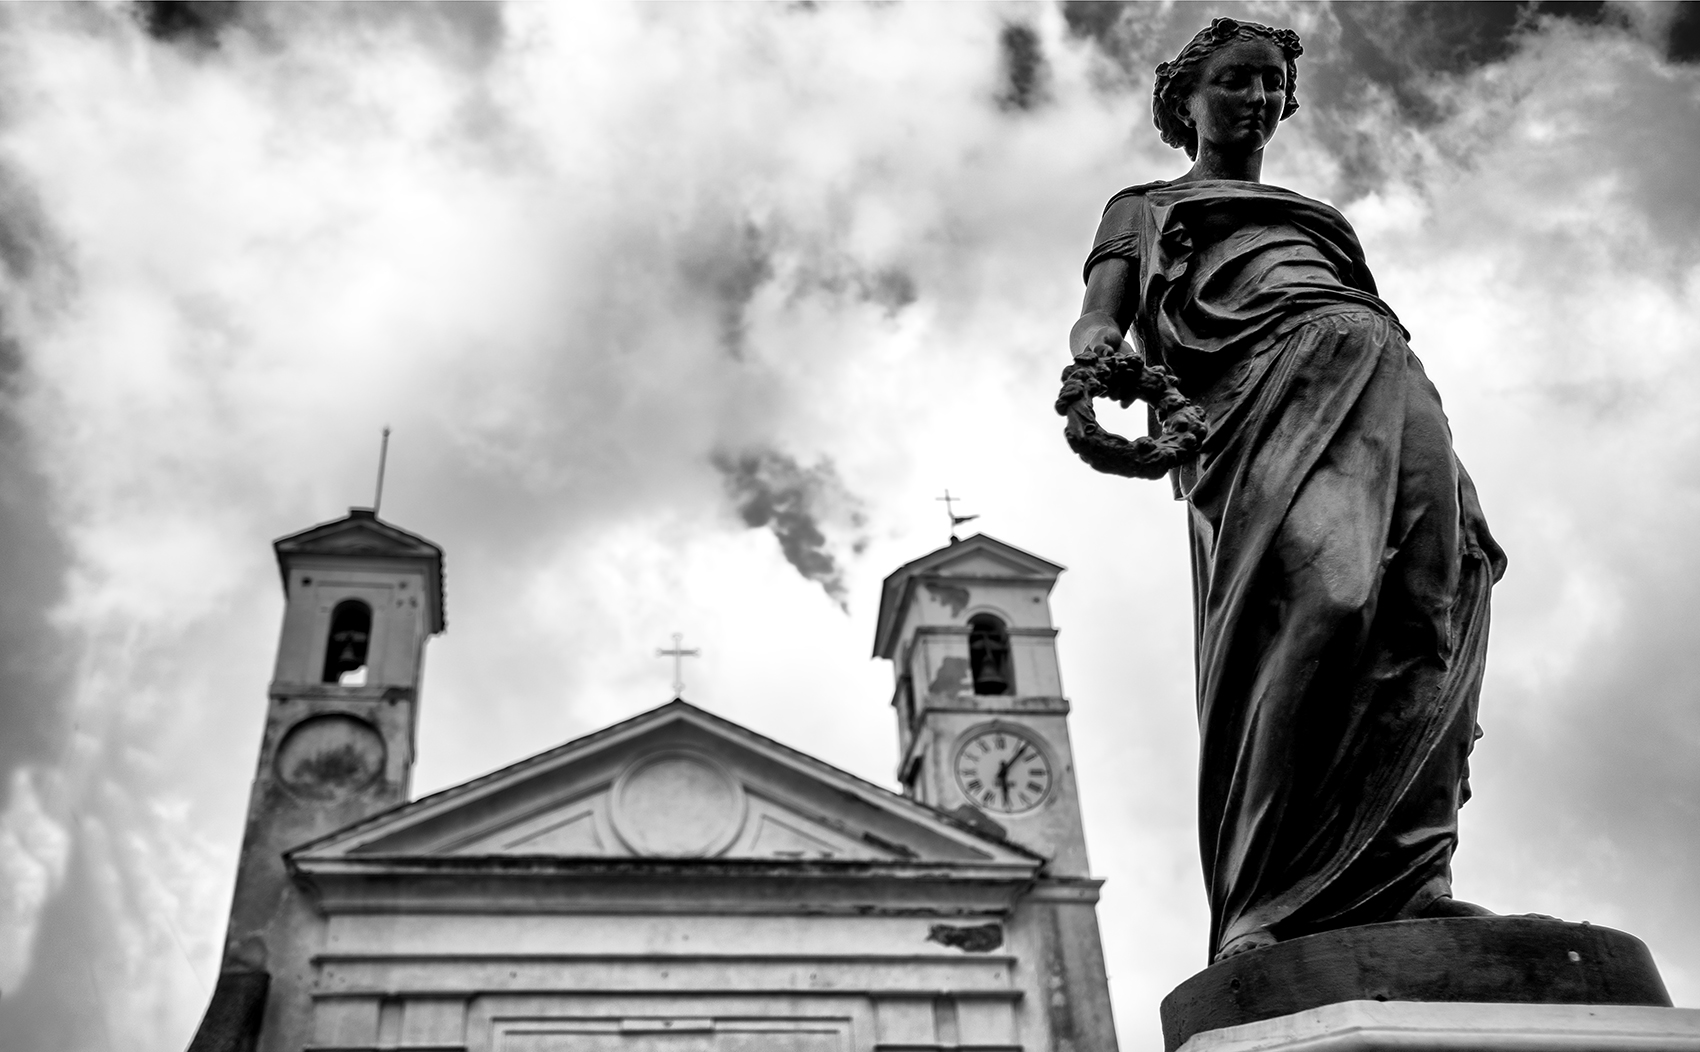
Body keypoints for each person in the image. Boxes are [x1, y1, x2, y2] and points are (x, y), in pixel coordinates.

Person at [1069, 18, 1507, 963]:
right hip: (1256, 400)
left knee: (1424, 612)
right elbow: (1100, 315)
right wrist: (1097, 360)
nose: (1258, 99)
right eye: (1235, 81)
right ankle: (1266, 894)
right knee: (1325, 598)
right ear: (1185, 102)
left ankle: (1413, 879)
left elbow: (1363, 311)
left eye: (1272, 84)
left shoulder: (1319, 219)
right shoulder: (1141, 207)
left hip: (1381, 372)